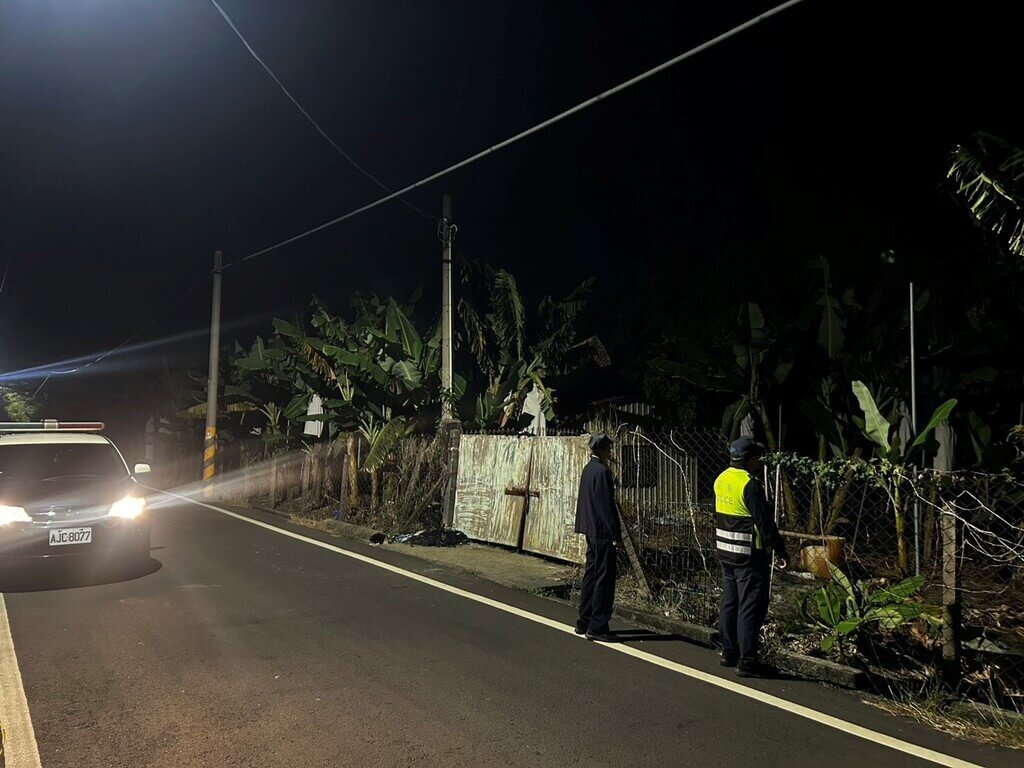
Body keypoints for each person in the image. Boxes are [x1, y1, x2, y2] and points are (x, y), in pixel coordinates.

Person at [715, 437, 788, 677]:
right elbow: (764, 522)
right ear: (749, 459)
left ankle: (728, 651)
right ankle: (748, 660)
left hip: (725, 551)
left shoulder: (721, 479)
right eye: (756, 457)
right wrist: (779, 549)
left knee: (730, 601)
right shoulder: (750, 484)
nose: (758, 461)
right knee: (749, 606)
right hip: (749, 554)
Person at [574, 431, 621, 642]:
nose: (610, 452)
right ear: (602, 449)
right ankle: (597, 625)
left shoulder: (588, 469)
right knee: (604, 577)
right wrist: (614, 532)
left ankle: (583, 620)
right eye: (608, 448)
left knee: (591, 574)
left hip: (590, 527)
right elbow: (605, 505)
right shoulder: (602, 471)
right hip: (602, 530)